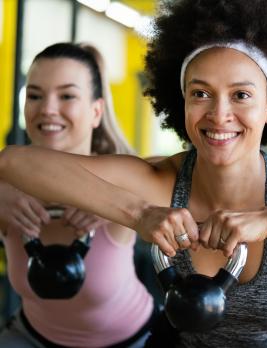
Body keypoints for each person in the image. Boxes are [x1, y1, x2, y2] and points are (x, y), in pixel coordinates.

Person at [0, 1, 267, 346]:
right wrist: (138, 214)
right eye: (201, 93)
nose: (219, 114)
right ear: (183, 102)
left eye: (241, 95)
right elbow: (15, 163)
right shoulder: (161, 182)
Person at [0, 43, 156, 347]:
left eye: (67, 96)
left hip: (132, 339)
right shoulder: (6, 183)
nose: (47, 108)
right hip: (32, 337)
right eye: (34, 96)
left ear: (96, 111)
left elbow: (189, 180)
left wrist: (118, 201)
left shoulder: (124, 179)